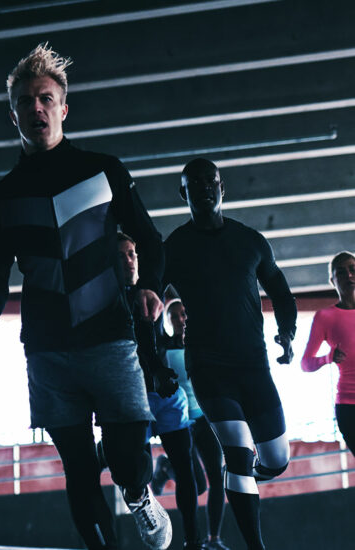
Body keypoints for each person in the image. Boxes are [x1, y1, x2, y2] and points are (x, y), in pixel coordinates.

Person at [0, 44, 172, 550]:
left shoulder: (105, 171)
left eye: (46, 99)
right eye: (25, 101)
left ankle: (138, 494)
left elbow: (150, 239)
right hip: (47, 348)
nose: (36, 108)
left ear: (63, 108)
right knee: (78, 468)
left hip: (110, 337)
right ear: (13, 114)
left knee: (126, 460)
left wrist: (148, 285)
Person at [163, 158, 297, 550]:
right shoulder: (175, 247)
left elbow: (280, 290)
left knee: (276, 461)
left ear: (222, 188)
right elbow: (149, 300)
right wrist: (153, 359)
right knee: (237, 456)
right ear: (184, 193)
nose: (205, 188)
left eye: (212, 181)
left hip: (253, 366)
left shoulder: (250, 241)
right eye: (195, 183)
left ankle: (241, 477)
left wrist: (287, 333)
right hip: (208, 367)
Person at [117, 233, 203, 550]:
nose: (128, 260)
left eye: (132, 253)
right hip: (130, 399)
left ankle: (194, 541)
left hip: (166, 398)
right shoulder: (106, 298)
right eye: (121, 255)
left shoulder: (152, 290)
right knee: (133, 471)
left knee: (187, 470)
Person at [154, 299, 230, 550]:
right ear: (168, 321)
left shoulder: (203, 344)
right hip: (179, 421)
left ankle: (214, 539)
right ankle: (166, 467)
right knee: (197, 487)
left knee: (217, 477)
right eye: (174, 316)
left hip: (204, 418)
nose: (180, 319)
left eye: (184, 314)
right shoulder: (162, 347)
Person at [301, 251, 355, 457]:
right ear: (332, 280)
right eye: (341, 272)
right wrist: (328, 358)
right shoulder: (325, 317)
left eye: (353, 270)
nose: (349, 275)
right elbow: (306, 363)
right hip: (349, 407)